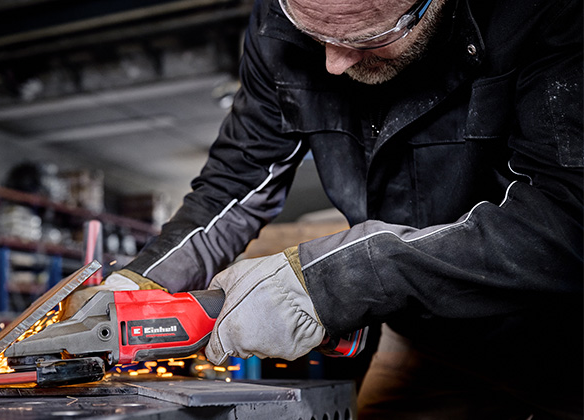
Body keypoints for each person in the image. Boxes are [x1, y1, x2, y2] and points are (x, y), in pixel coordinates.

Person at [79, 0, 583, 417]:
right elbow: (237, 180)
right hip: (416, 338)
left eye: (364, 38)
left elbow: (566, 219)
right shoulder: (281, 22)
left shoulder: (548, 15)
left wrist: (336, 281)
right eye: (312, 32)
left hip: (552, 340)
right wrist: (144, 282)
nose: (332, 64)